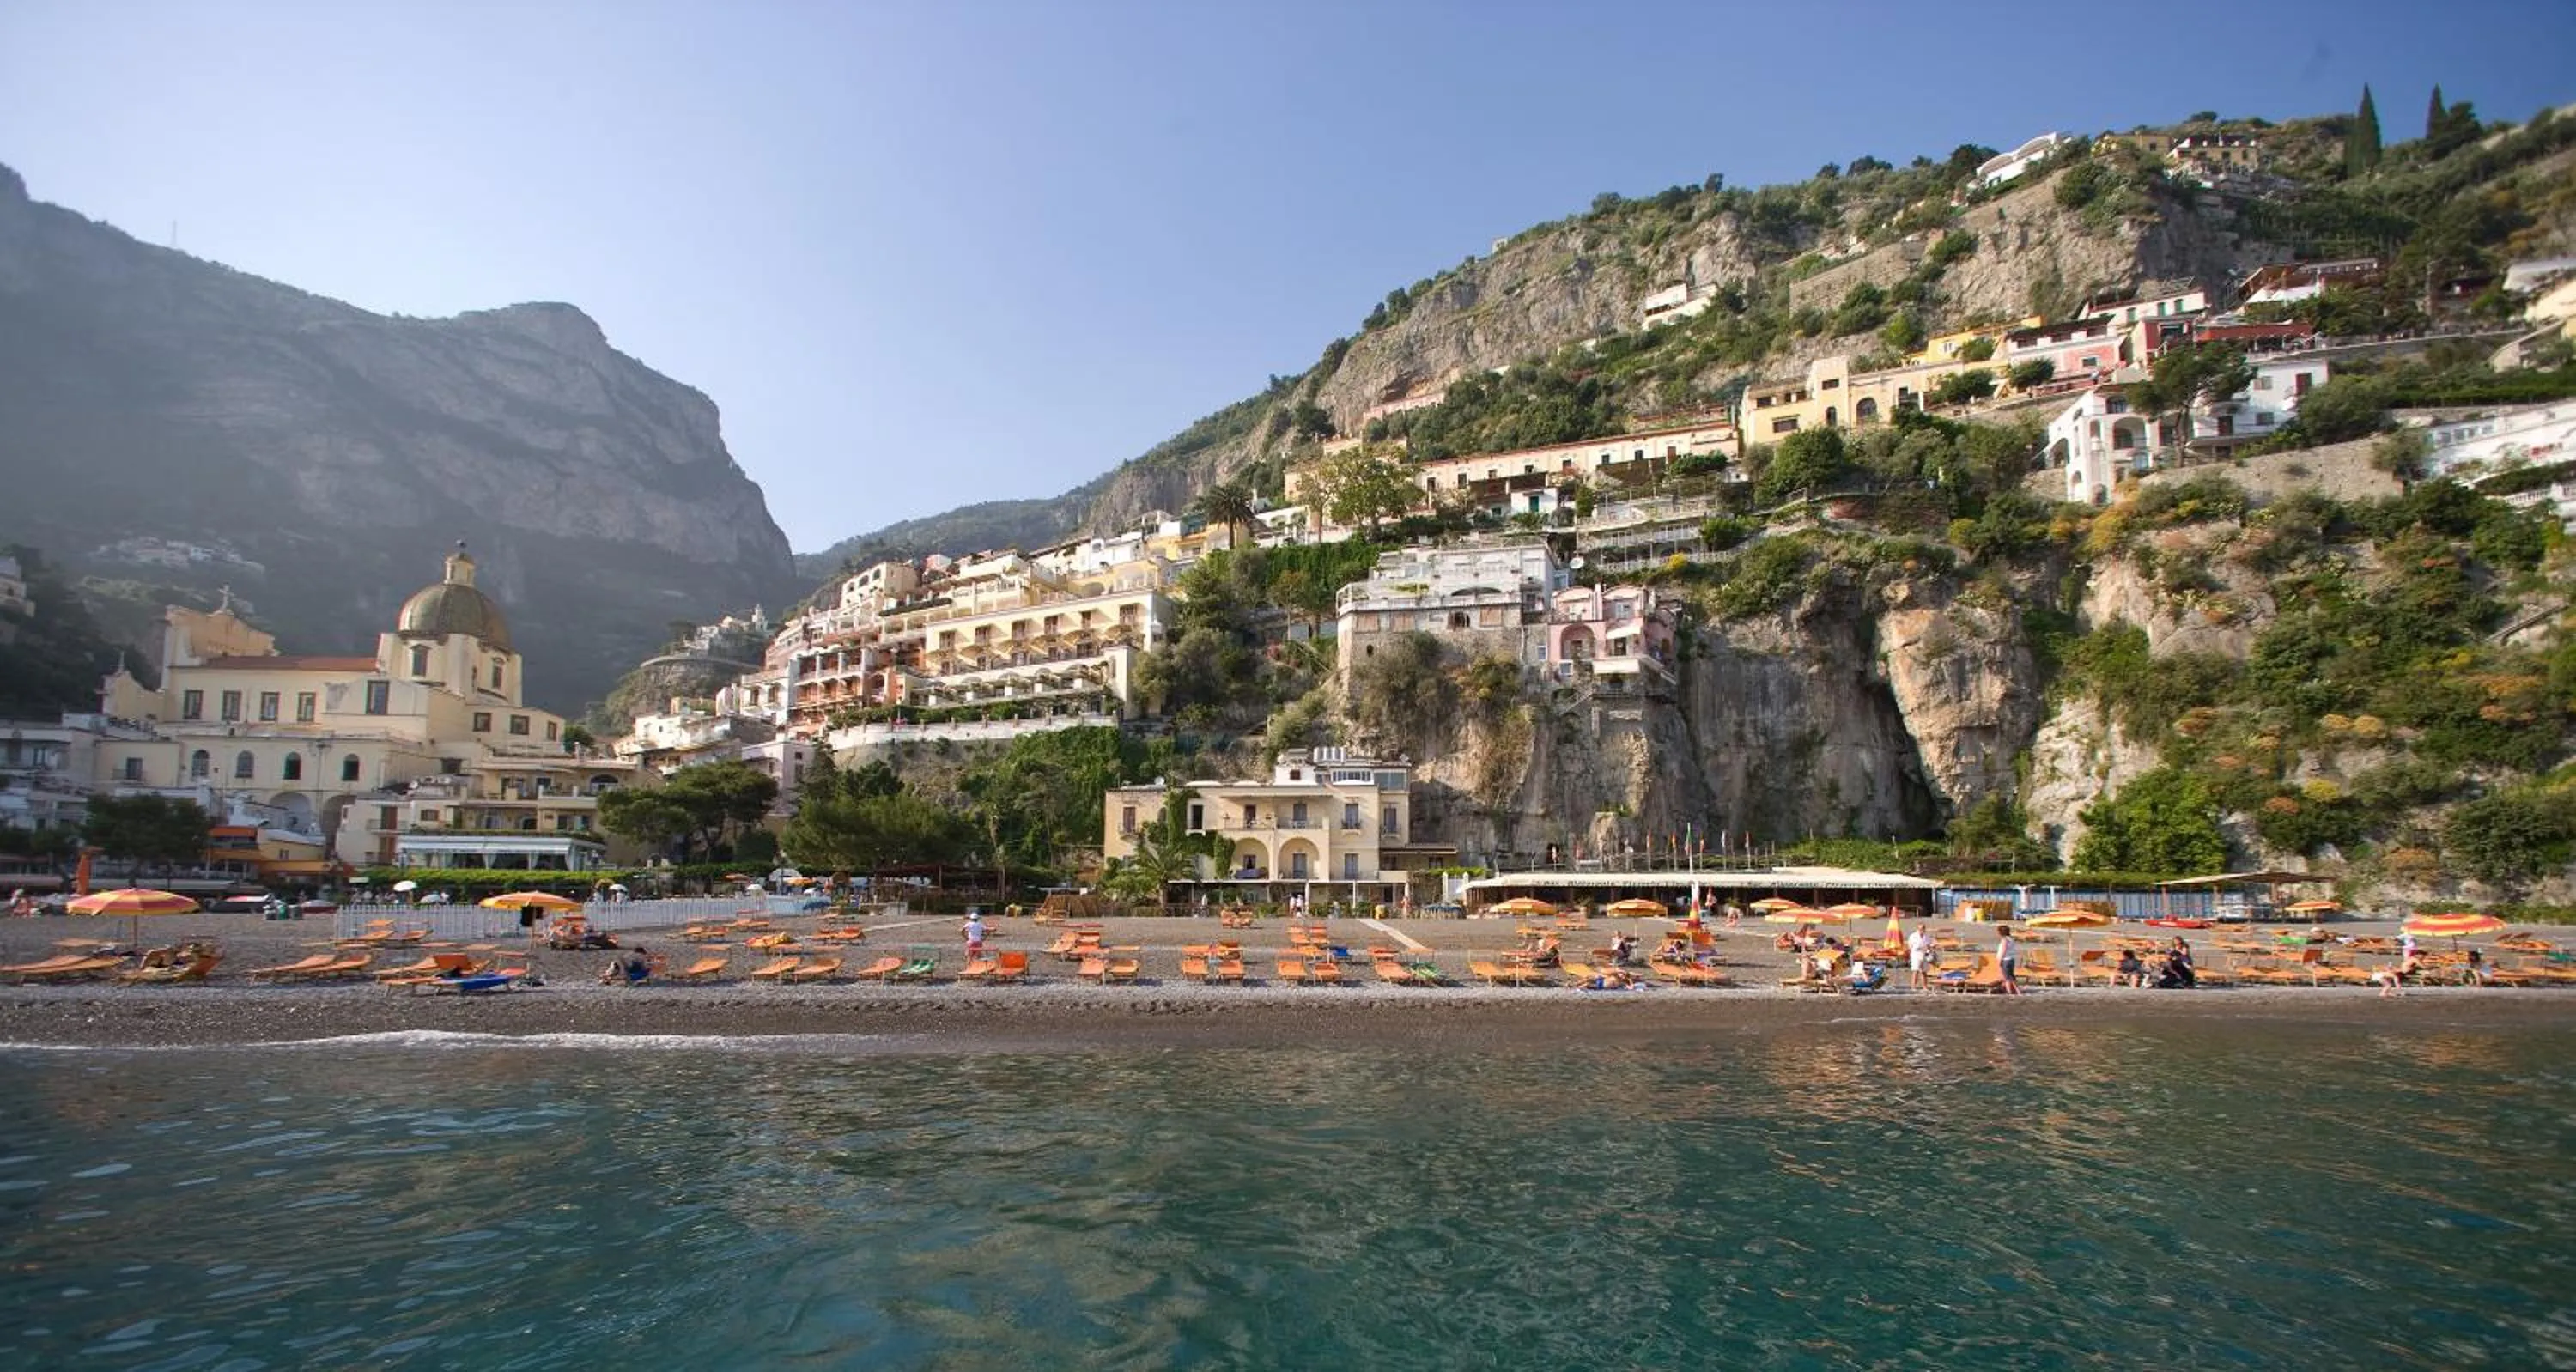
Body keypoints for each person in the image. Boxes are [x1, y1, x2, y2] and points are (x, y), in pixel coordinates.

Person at [1995, 926, 2020, 995]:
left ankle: (2010, 991)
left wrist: (2000, 960)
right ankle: (2016, 991)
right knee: (2010, 977)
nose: (1997, 933)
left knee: (2007, 977)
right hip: (2011, 959)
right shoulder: (2010, 939)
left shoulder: (2005, 940)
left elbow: (2003, 950)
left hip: (2006, 960)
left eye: (1998, 931)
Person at [1907, 926, 1934, 991]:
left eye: (1922, 929)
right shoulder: (1913, 936)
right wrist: (1921, 948)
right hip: (1916, 955)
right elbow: (1910, 946)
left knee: (1924, 972)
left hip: (1924, 955)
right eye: (1920, 929)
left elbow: (1930, 944)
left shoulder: (1926, 937)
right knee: (1915, 971)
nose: (1921, 930)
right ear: (1917, 929)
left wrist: (1929, 948)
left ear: (1924, 929)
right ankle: (1913, 987)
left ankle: (1925, 987)